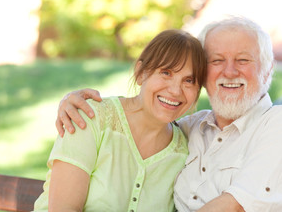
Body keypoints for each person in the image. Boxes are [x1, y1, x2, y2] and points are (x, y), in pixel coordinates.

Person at [55, 16, 282, 212]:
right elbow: (146, 112)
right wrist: (75, 102)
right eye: (216, 61)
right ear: (205, 74)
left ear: (268, 70)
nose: (229, 72)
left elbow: (238, 206)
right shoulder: (190, 128)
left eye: (243, 60)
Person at [34, 29, 207, 212]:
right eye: (166, 73)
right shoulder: (91, 118)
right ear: (141, 73)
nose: (175, 90)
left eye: (189, 81)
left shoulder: (186, 153)